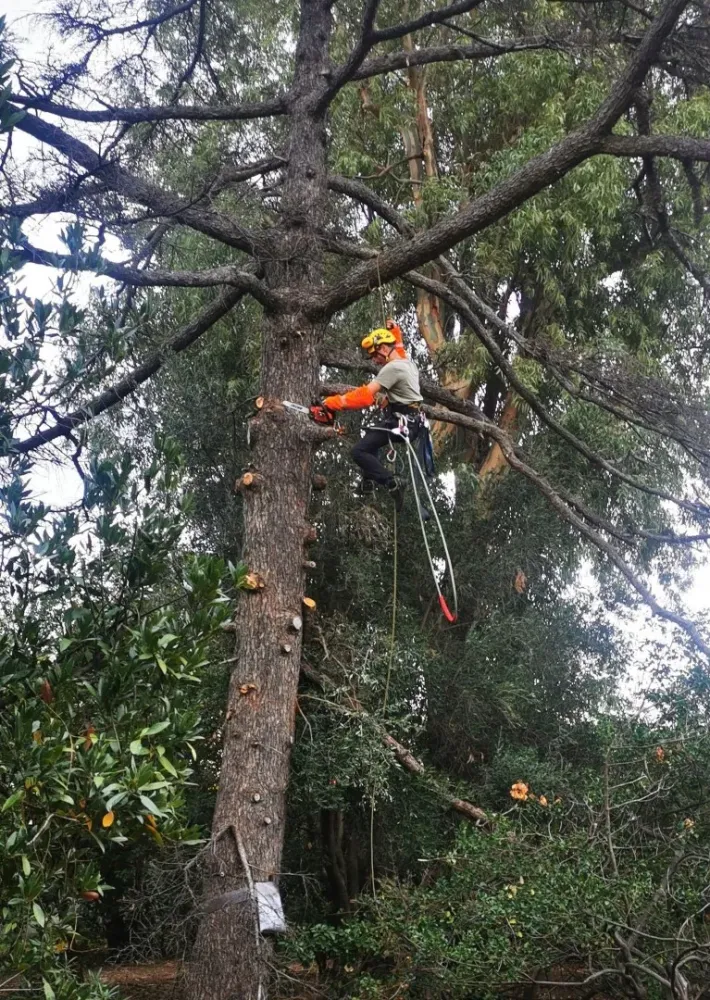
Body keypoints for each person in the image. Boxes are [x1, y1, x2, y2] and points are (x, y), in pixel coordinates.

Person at [322, 320, 423, 509]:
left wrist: (333, 403)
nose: (375, 360)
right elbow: (399, 350)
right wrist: (395, 332)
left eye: (375, 355)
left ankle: (391, 482)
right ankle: (368, 479)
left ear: (384, 349)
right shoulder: (406, 363)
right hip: (411, 422)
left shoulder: (391, 368)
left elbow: (365, 396)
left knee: (358, 451)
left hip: (401, 423)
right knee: (370, 435)